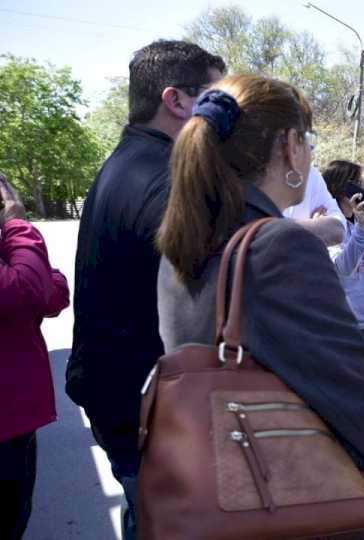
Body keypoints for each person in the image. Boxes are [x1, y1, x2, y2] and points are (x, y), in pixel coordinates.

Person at [156, 75, 364, 493]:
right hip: (283, 496)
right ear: (290, 146)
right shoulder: (282, 245)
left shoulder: (187, 237)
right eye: (309, 139)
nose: (311, 153)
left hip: (218, 483)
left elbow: (260, 364)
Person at [64, 40, 225, 540]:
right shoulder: (167, 178)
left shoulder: (129, 160)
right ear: (176, 101)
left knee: (147, 517)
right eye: (219, 100)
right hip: (145, 409)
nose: (230, 116)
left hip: (117, 395)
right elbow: (212, 282)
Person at [0, 176, 70, 540]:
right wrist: (17, 223)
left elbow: (52, 294)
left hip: (16, 418)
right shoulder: (12, 234)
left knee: (16, 514)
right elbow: (29, 289)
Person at [321, 159, 364, 345]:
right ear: (340, 188)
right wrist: (363, 229)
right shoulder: (329, 225)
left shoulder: (358, 222)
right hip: (345, 325)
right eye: (358, 183)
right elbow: (343, 268)